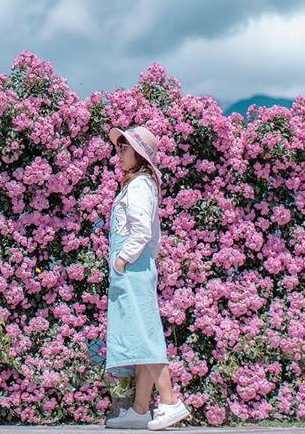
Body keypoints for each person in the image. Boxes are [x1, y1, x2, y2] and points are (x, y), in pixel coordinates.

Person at [104, 124, 191, 430]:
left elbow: (140, 231)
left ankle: (169, 402)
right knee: (141, 337)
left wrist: (121, 260)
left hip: (133, 269)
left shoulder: (140, 186)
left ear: (140, 154)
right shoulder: (136, 184)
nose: (120, 153)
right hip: (132, 270)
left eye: (125, 148)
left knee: (145, 335)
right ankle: (141, 410)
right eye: (119, 147)